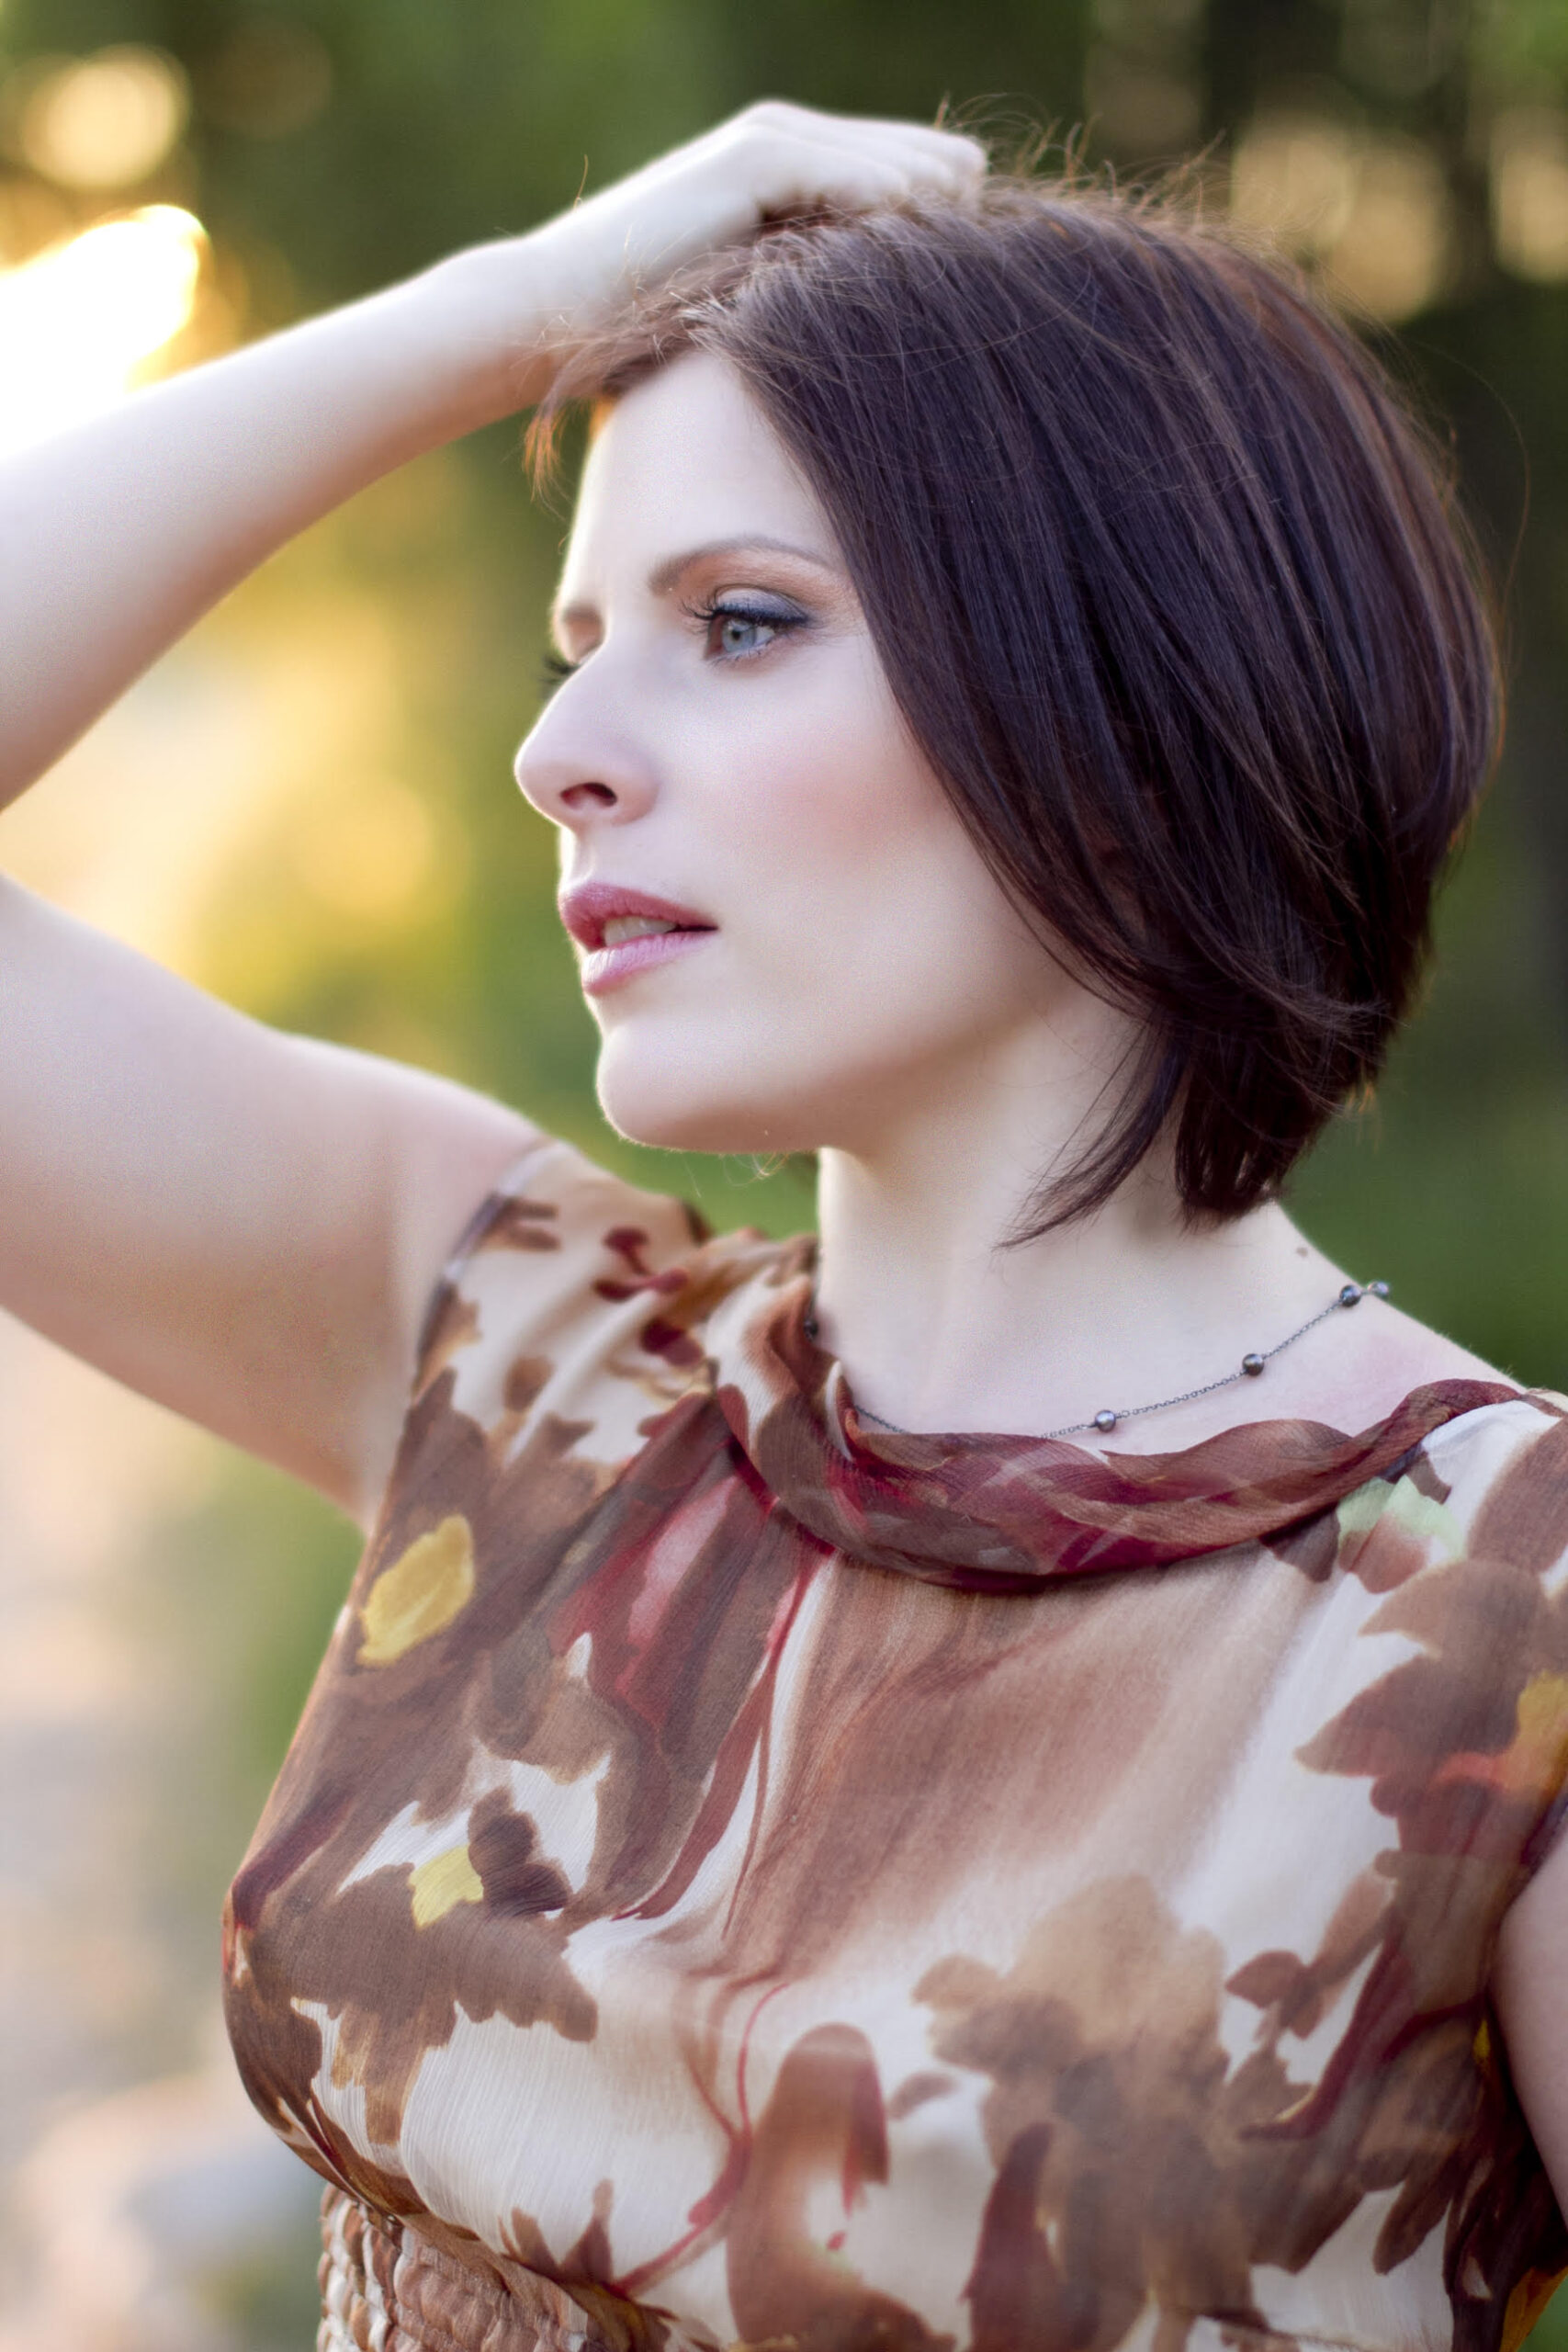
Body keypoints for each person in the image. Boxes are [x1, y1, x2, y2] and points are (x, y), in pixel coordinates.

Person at [2, 98, 1564, 2352]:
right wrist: (516, 308)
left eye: (737, 622)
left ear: (1127, 704)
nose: (560, 749)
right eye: (574, 640)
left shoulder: (1499, 1615)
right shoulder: (526, 1354)